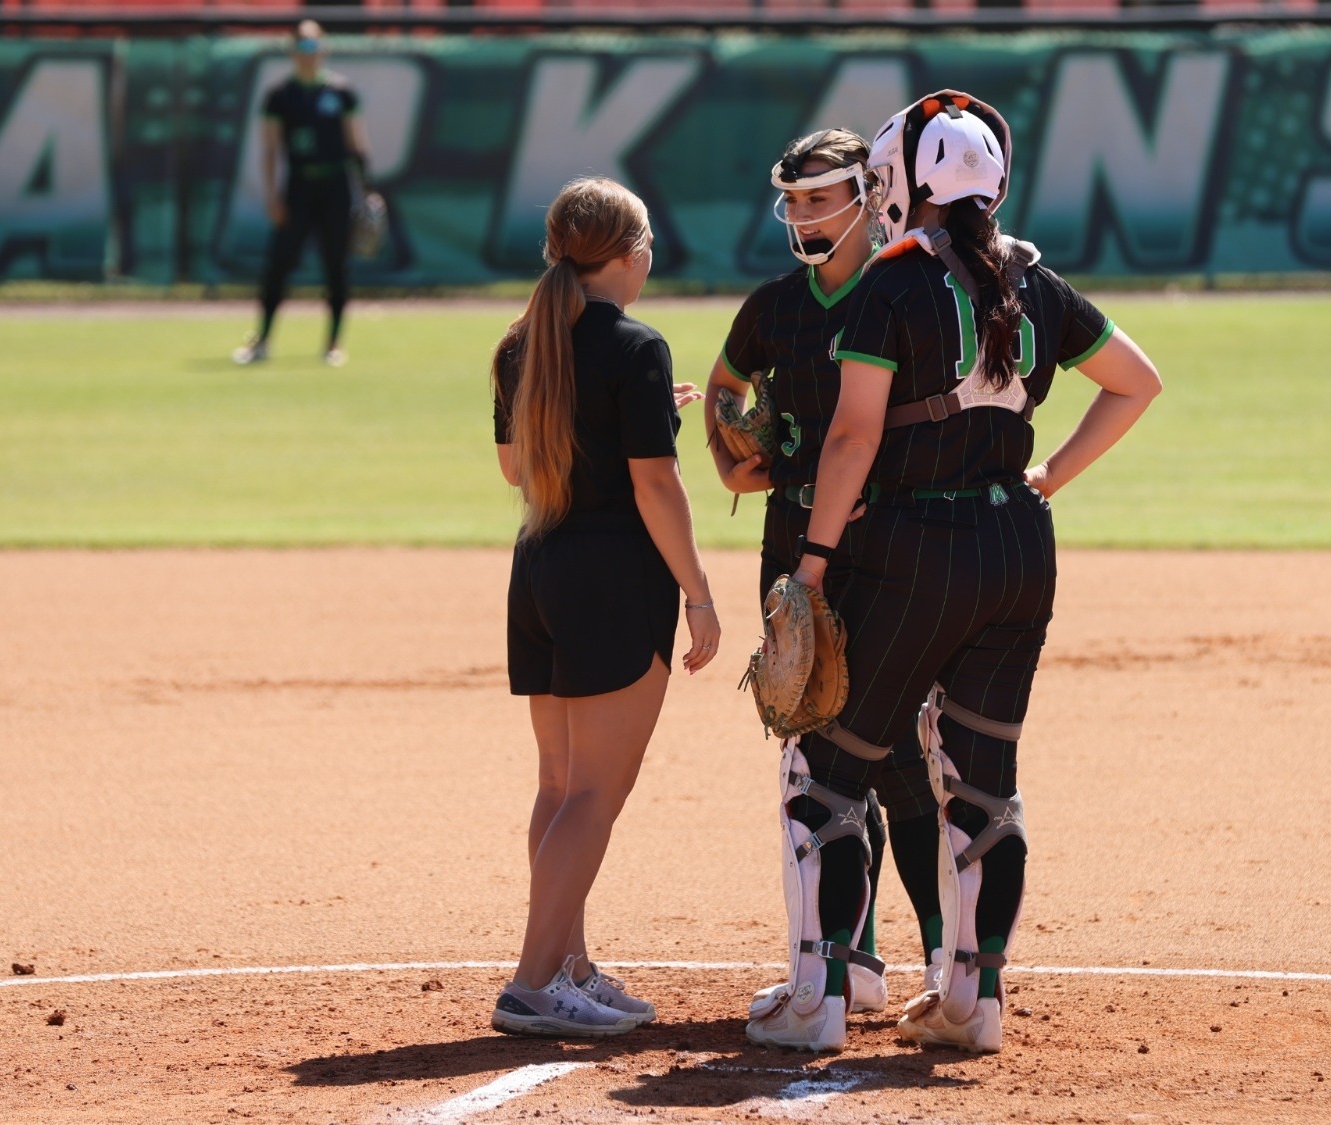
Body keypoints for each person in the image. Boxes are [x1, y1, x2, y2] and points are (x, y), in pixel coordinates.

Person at [742, 91, 1164, 1054]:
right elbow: (1138, 382)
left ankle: (816, 1001)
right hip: (1020, 548)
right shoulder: (1035, 277)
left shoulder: (893, 277)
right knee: (982, 783)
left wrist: (810, 565)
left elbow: (852, 436)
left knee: (825, 767)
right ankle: (973, 1002)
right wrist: (1047, 475)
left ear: (900, 181)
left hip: (914, 545)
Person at [708, 129, 946, 1042]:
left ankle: (940, 957)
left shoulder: (904, 293)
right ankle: (852, 959)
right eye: (796, 201)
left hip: (887, 546)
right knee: (815, 745)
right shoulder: (774, 307)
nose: (806, 217)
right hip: (792, 543)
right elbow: (730, 386)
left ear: (872, 192)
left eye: (823, 197)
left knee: (902, 758)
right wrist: (740, 459)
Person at [489, 177, 721, 1037]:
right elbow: (654, 484)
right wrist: (698, 593)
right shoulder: (638, 344)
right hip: (614, 577)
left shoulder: (523, 342)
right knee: (595, 792)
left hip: (541, 565)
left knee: (559, 784)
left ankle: (571, 965)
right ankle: (533, 980)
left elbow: (518, 469)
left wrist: (645, 414)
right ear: (629, 255)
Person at [233, 20, 369, 369]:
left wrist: (366, 192)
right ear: (292, 52)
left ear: (323, 49)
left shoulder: (341, 91)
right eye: (301, 47)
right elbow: (270, 149)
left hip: (335, 186)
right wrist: (272, 195)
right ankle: (262, 340)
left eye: (313, 46)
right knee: (278, 264)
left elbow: (356, 144)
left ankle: (334, 343)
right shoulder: (280, 96)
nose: (308, 54)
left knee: (336, 266)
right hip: (299, 186)